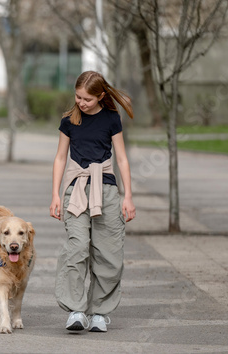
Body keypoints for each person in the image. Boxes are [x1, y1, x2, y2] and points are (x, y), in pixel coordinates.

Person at [49, 71, 136, 333]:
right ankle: (76, 310)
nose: (81, 102)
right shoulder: (69, 120)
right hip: (75, 190)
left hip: (107, 191)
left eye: (87, 98)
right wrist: (55, 194)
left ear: (100, 96)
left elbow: (121, 159)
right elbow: (60, 158)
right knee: (77, 248)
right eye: (77, 97)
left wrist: (128, 196)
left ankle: (99, 312)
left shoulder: (111, 119)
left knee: (107, 252)